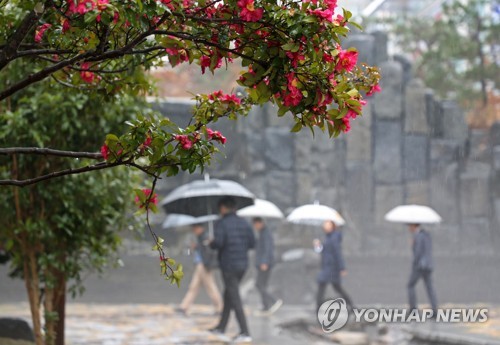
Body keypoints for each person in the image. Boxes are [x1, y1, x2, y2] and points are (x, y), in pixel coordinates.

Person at [210, 196, 255, 343]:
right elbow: (252, 243)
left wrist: (212, 242)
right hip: (242, 265)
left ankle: (245, 331)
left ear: (223, 208)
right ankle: (221, 327)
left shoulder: (221, 223)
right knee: (228, 295)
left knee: (234, 297)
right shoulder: (245, 223)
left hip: (228, 265)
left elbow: (219, 243)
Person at [177, 224, 222, 315]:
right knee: (194, 286)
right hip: (199, 264)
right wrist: (195, 247)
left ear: (200, 228)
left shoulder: (205, 237)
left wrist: (207, 264)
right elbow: (201, 249)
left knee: (210, 286)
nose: (194, 230)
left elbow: (208, 251)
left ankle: (220, 307)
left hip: (204, 265)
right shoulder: (200, 237)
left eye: (195, 228)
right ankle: (184, 306)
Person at [314, 220, 354, 312]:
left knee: (325, 286)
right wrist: (318, 246)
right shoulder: (328, 237)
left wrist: (342, 267)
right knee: (334, 287)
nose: (325, 226)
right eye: (325, 224)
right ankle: (351, 306)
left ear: (332, 226)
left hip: (332, 268)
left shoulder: (334, 237)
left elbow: (337, 253)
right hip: (327, 267)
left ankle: (318, 308)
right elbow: (322, 251)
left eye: (328, 224)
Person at [252, 217, 282, 316]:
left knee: (259, 284)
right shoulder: (262, 233)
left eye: (255, 224)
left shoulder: (266, 233)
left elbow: (267, 249)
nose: (255, 226)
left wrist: (264, 262)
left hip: (265, 263)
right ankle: (266, 306)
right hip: (263, 263)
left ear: (260, 223)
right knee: (262, 285)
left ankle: (273, 301)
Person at [407, 223, 438, 316]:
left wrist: (413, 244)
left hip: (420, 266)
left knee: (410, 285)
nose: (409, 228)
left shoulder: (418, 236)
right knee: (429, 287)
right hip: (428, 265)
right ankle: (434, 309)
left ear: (414, 226)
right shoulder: (426, 235)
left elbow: (418, 252)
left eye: (410, 226)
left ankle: (413, 309)